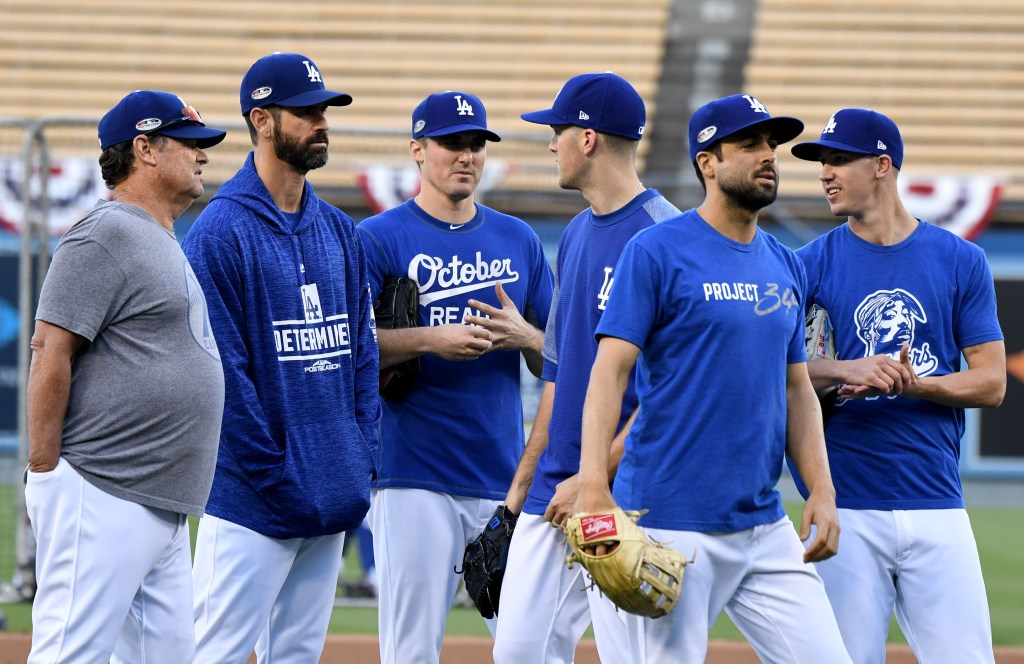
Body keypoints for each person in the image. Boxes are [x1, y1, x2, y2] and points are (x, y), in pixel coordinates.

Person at [573, 93, 854, 663]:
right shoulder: (655, 251)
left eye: (771, 144)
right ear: (708, 162)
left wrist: (821, 490)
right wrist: (591, 485)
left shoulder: (784, 262)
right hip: (669, 523)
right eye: (749, 144)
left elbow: (796, 388)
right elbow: (610, 372)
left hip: (762, 523)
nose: (768, 155)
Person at [183, 52, 381, 663]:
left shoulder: (340, 229)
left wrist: (361, 457)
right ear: (262, 120)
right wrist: (276, 476)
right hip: (251, 502)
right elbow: (224, 379)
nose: (322, 122)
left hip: (330, 497)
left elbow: (363, 360)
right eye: (306, 112)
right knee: (213, 655)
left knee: (297, 656)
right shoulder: (219, 232)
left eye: (323, 111)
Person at [790, 108, 1005, 664]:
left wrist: (912, 384)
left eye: (839, 160)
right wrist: (846, 370)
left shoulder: (961, 260)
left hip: (938, 503)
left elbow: (992, 383)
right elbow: (777, 376)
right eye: (822, 162)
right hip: (846, 507)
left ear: (883, 165)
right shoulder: (807, 264)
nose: (825, 173)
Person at [25, 89, 226, 663]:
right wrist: (46, 473)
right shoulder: (104, 232)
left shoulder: (156, 237)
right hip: (102, 487)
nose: (202, 154)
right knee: (70, 653)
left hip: (158, 501)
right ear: (145, 149)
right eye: (188, 142)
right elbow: (48, 348)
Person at [357, 90, 554, 663]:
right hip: (411, 475)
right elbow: (349, 353)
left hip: (502, 477)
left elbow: (556, 361)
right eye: (451, 144)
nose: (466, 155)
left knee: (530, 649)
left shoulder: (518, 239)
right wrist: (427, 339)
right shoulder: (378, 238)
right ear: (418, 150)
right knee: (411, 650)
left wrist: (525, 337)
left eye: (476, 144)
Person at [492, 72, 679, 664]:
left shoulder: (665, 236)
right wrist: (520, 489)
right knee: (519, 651)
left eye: (557, 130)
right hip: (554, 488)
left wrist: (596, 474)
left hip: (625, 493)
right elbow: (558, 371)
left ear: (589, 138)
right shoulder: (574, 234)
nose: (550, 142)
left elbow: (671, 390)